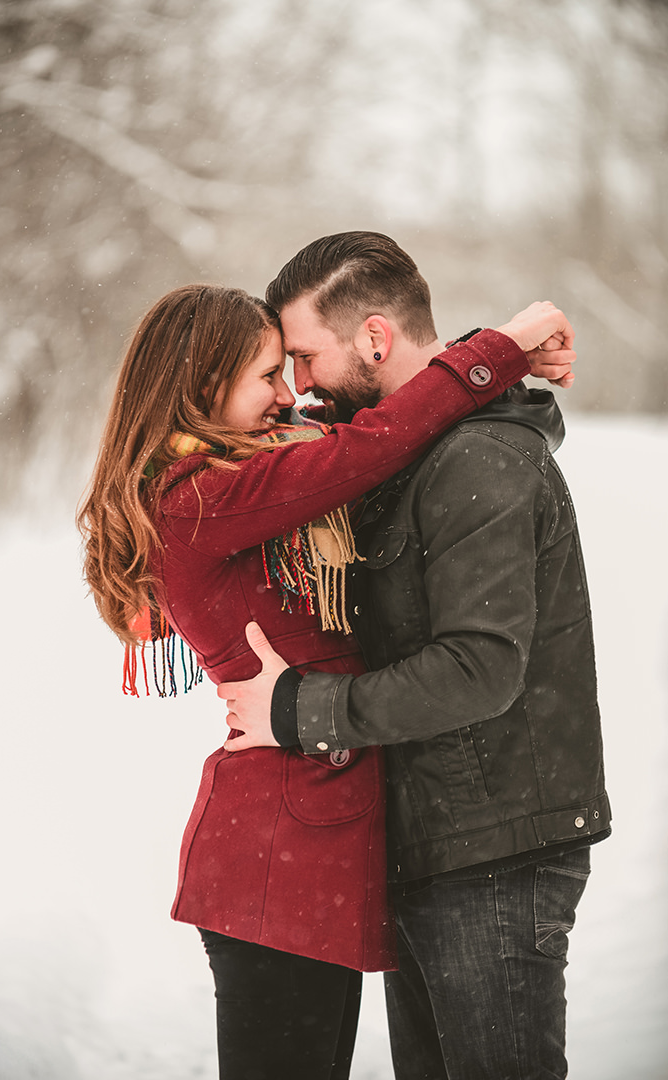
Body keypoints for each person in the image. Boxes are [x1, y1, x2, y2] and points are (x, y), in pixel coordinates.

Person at [78, 280, 576, 1080]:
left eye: (289, 369)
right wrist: (499, 347)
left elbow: (376, 413)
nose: (289, 396)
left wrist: (492, 361)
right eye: (268, 376)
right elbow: (372, 444)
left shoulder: (248, 472)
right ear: (205, 388)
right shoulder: (202, 497)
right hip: (279, 849)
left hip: (308, 845)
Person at [217, 233, 610, 1080]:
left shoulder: (479, 459)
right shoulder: (402, 450)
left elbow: (479, 667)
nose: (299, 386)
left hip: (495, 855)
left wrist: (296, 711)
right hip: (436, 843)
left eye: (305, 357)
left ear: (373, 338)